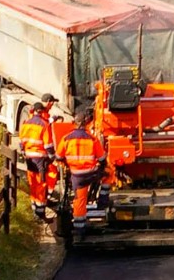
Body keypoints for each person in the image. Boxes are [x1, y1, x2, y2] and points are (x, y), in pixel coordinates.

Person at [55, 107, 107, 235]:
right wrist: (101, 169)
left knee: (79, 200)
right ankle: (102, 200)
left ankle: (79, 227)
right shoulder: (92, 139)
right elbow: (102, 158)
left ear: (74, 123)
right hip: (91, 173)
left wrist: (67, 164)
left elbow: (58, 156)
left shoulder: (66, 138)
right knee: (109, 175)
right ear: (86, 123)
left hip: (77, 175)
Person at [18, 100, 56, 219]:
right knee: (40, 184)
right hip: (40, 159)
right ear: (42, 111)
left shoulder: (26, 123)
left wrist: (24, 153)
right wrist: (52, 157)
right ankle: (40, 213)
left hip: (29, 158)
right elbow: (48, 145)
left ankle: (34, 208)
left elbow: (21, 142)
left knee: (32, 183)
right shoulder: (44, 124)